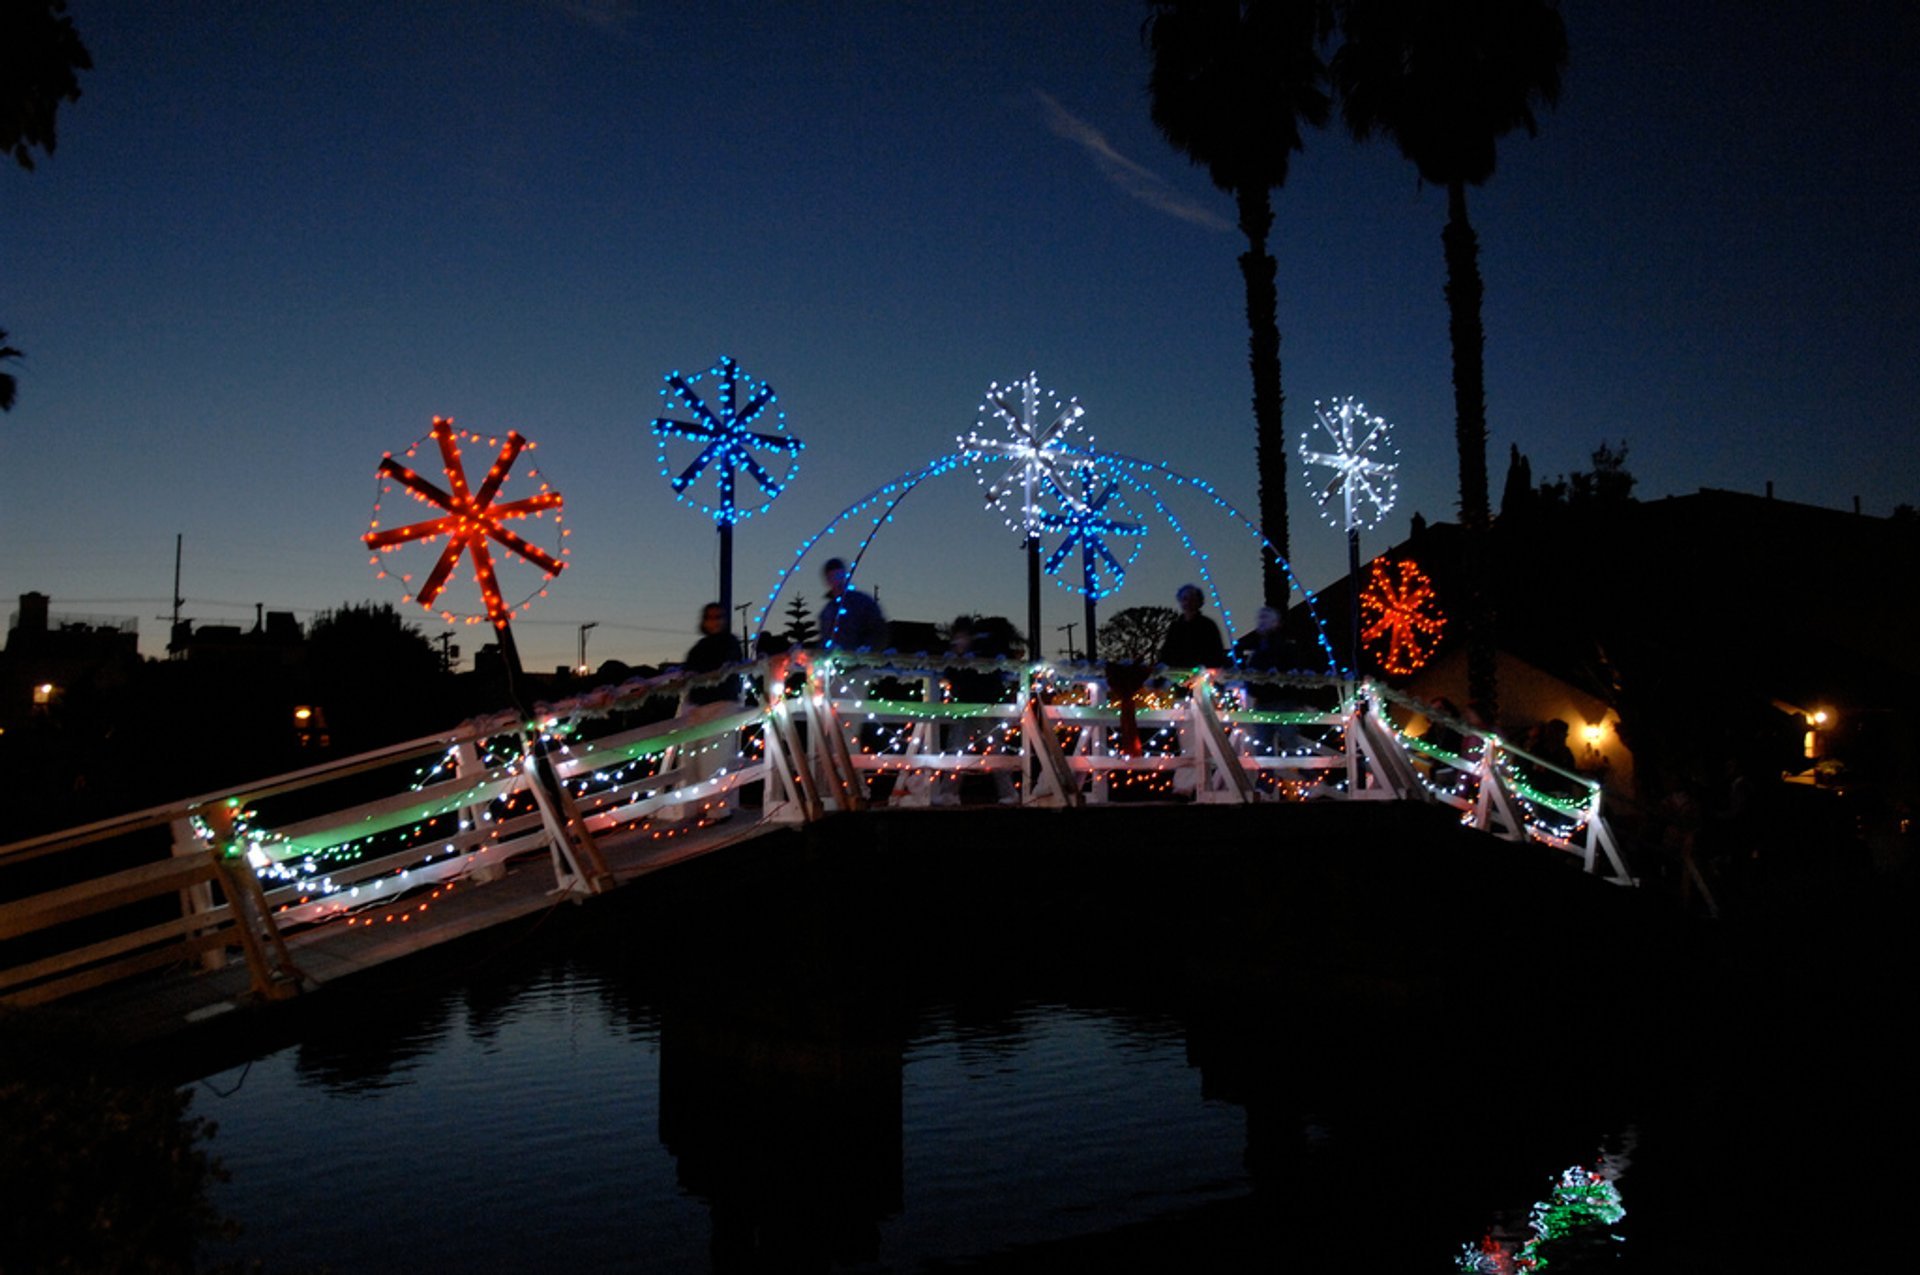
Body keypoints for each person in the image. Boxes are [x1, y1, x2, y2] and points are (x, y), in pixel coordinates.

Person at [667, 602, 743, 821]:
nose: (715, 621)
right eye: (711, 617)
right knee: (693, 761)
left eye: (719, 616)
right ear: (704, 621)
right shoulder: (699, 647)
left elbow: (728, 664)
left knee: (714, 759)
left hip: (721, 704)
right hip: (698, 707)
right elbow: (688, 670)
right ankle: (697, 807)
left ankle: (719, 810)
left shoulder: (730, 642)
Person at [817, 557, 888, 651]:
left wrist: (868, 649)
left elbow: (880, 631)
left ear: (845, 576)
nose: (836, 581)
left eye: (839, 575)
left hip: (861, 660)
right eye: (832, 577)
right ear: (827, 580)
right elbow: (824, 639)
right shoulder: (827, 611)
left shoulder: (862, 602)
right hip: (834, 661)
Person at [1158, 584, 1226, 669]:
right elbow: (1166, 651)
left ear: (1199, 602)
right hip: (1176, 673)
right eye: (1185, 599)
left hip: (1201, 673)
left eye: (1192, 599)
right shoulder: (1175, 626)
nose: (1188, 602)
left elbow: (1216, 652)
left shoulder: (1208, 625)